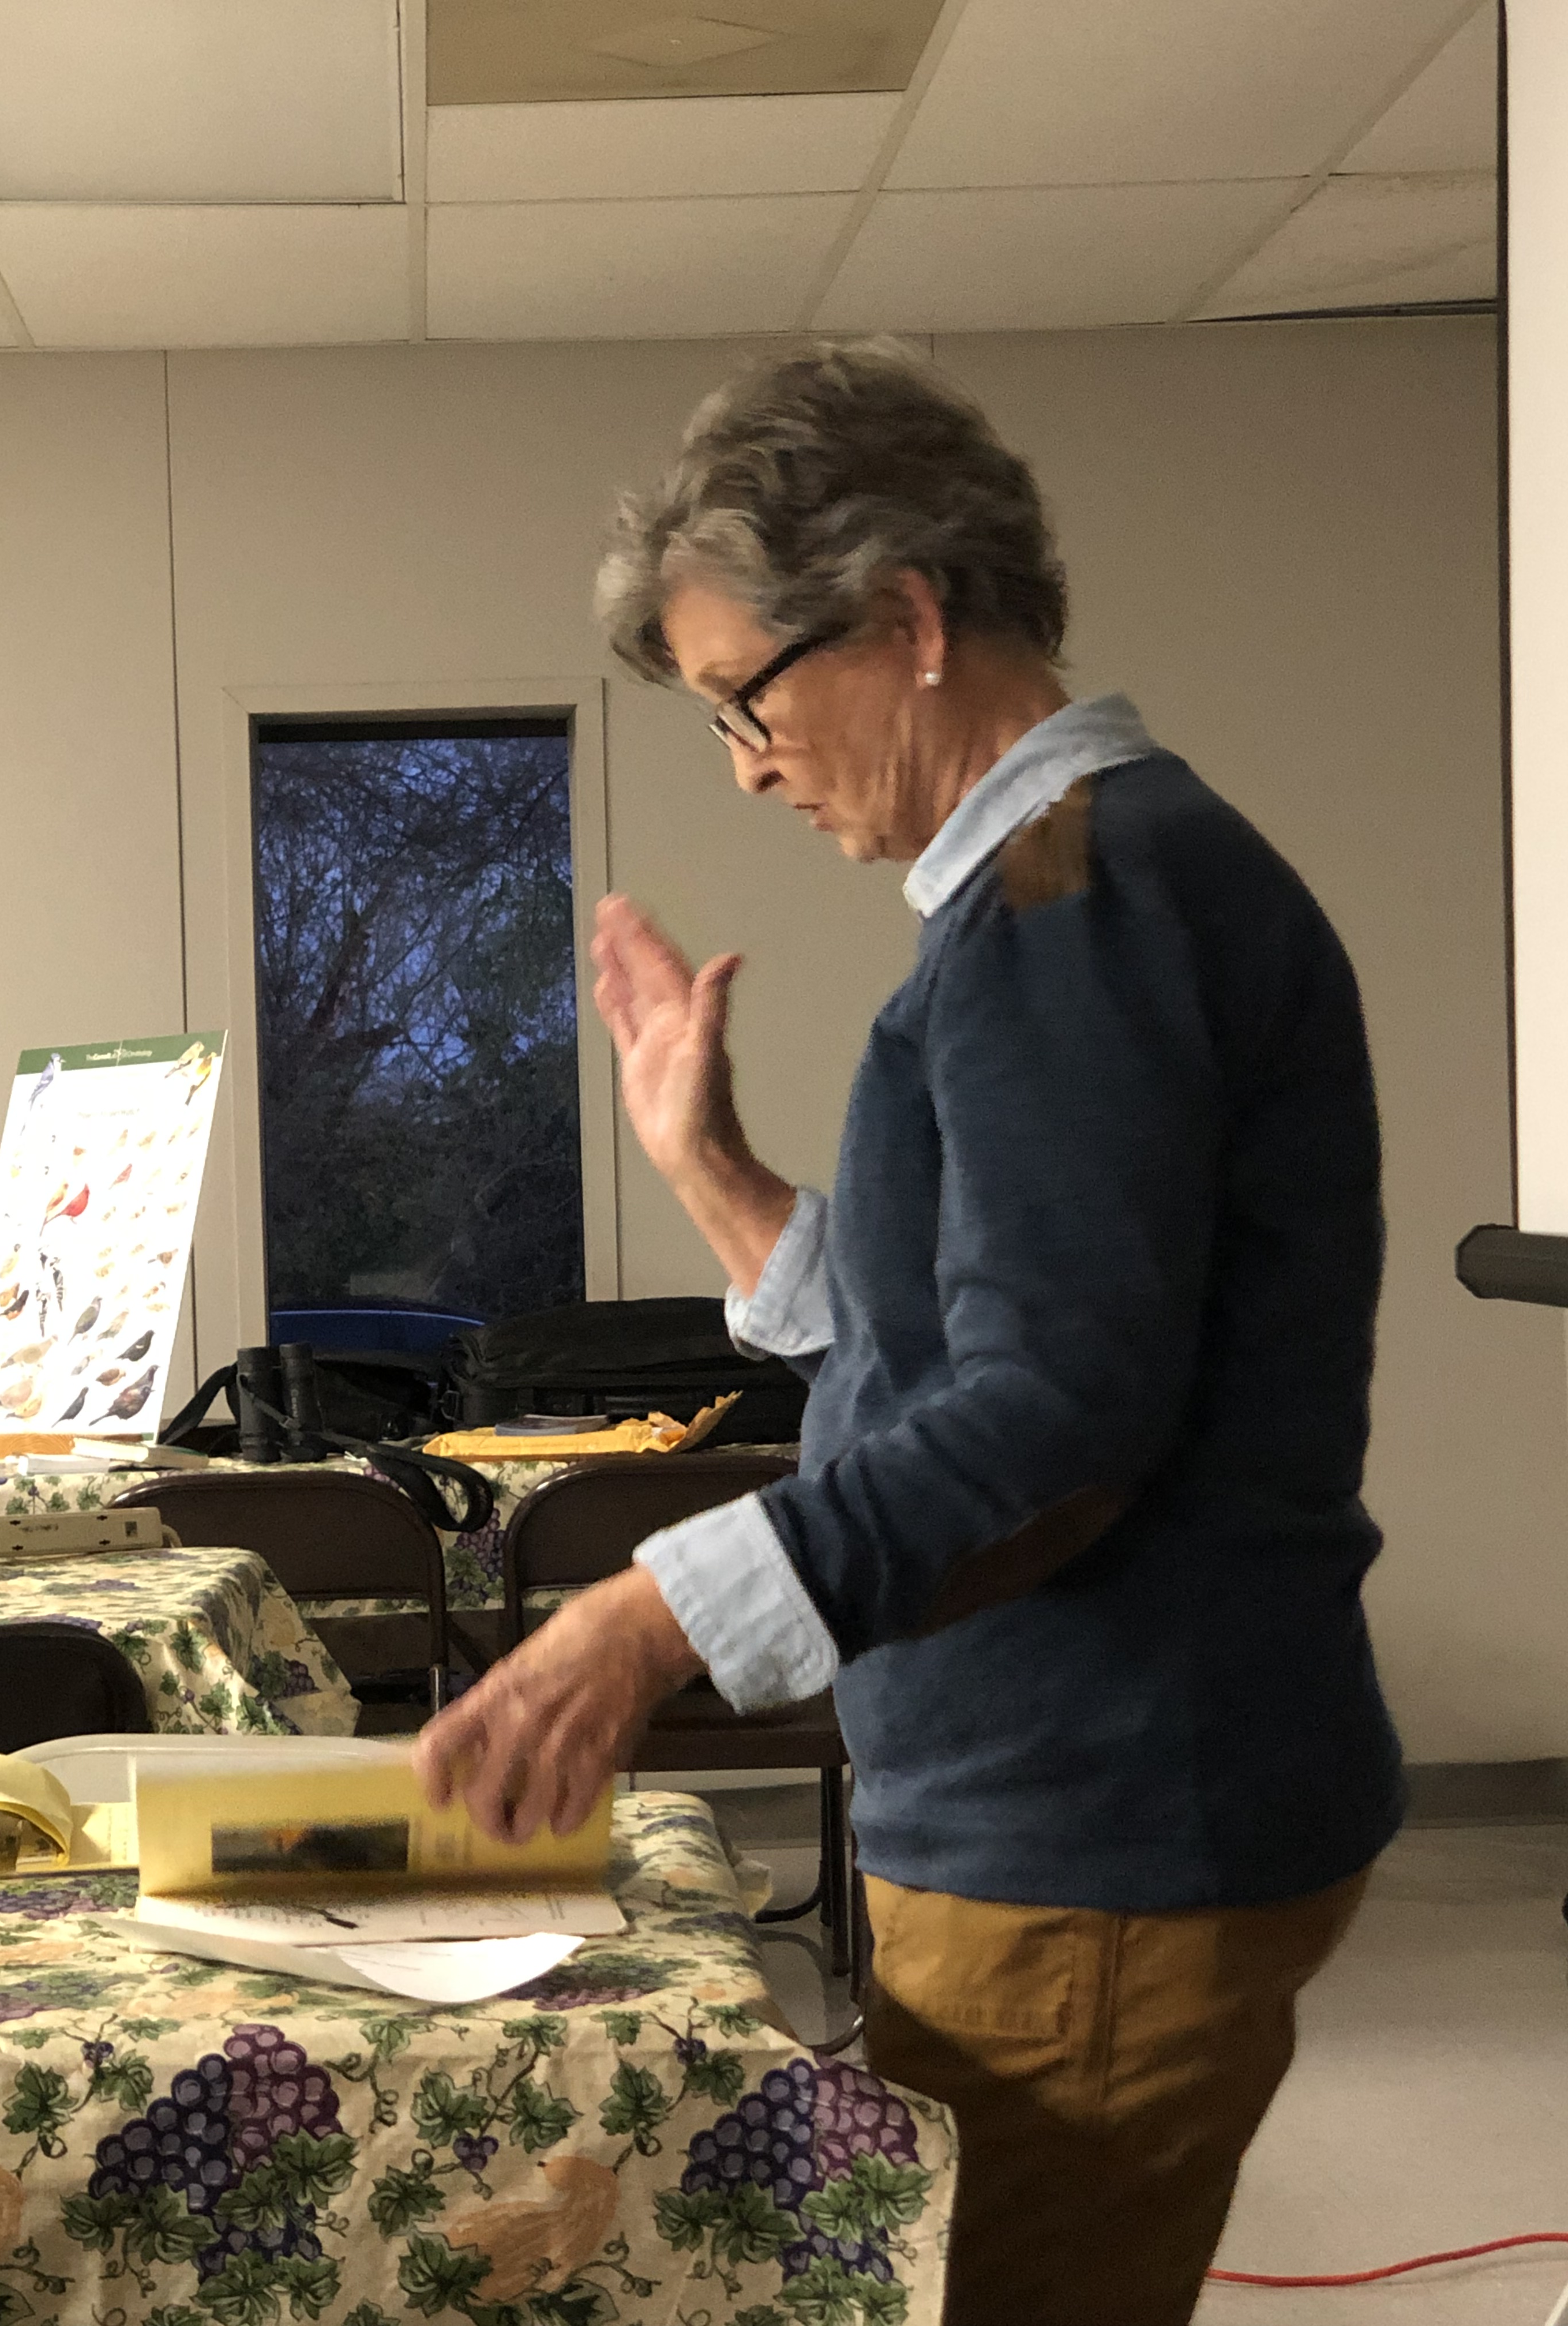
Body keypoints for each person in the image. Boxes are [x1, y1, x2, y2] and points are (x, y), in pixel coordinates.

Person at [417, 339, 1405, 2326]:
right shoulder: (1068, 894)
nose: (746, 765)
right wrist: (711, 1170)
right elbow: (960, 1341)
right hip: (1082, 1817)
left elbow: (1055, 1414)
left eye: (746, 700)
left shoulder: (1073, 906)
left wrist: (650, 1618)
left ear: (908, 618)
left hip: (1101, 1835)